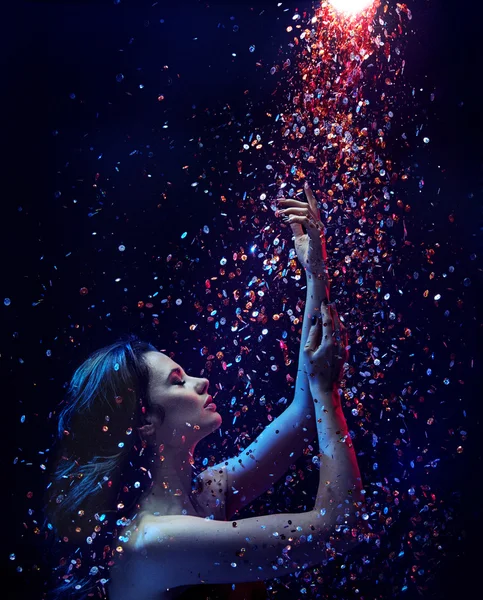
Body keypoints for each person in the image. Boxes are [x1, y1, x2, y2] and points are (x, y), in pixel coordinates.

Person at [43, 184, 364, 600]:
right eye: (177, 381)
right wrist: (326, 390)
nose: (202, 381)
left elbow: (304, 414)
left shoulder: (208, 490)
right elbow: (336, 529)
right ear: (142, 423)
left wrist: (315, 273)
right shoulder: (152, 541)